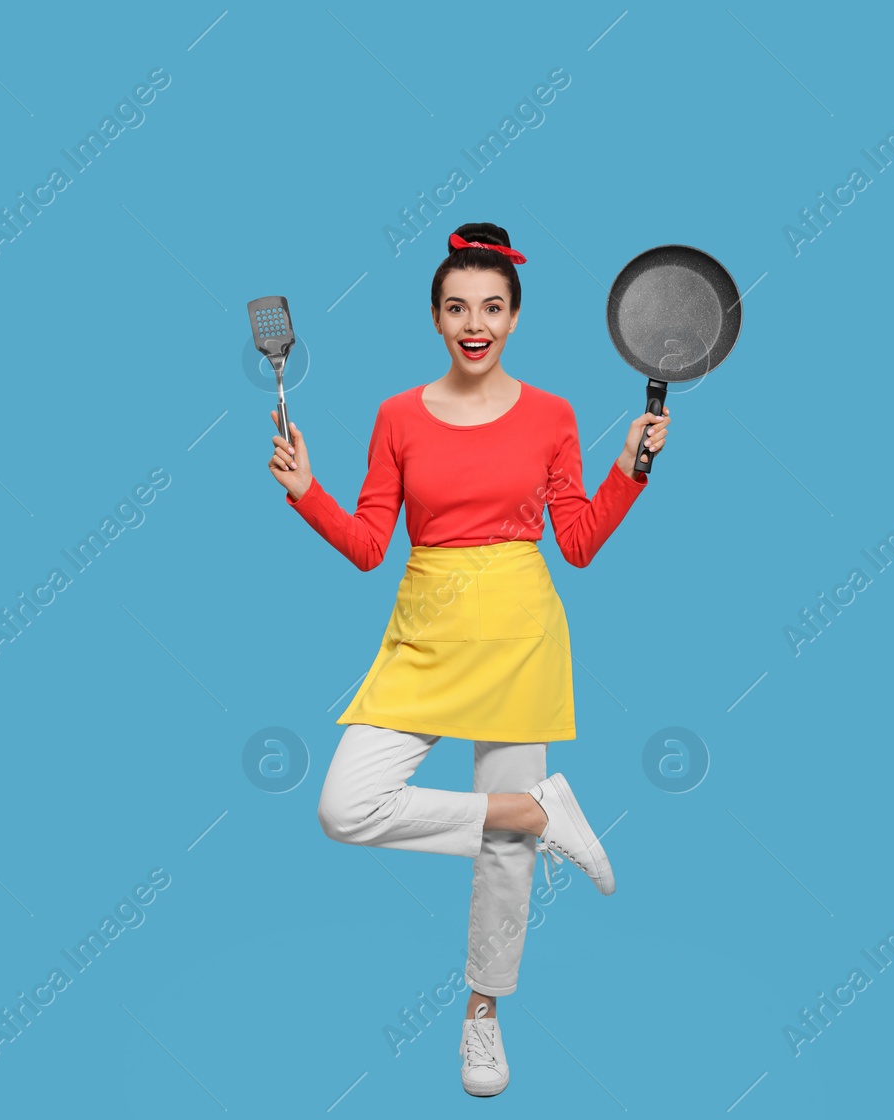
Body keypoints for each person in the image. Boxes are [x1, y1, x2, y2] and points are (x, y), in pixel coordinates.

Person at [267, 222, 670, 1096]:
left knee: (503, 860)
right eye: (457, 307)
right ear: (436, 319)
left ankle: (483, 1020)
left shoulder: (555, 415)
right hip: (425, 632)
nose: (474, 322)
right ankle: (537, 811)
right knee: (345, 806)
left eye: (491, 306)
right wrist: (307, 495)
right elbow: (372, 543)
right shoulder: (399, 416)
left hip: (521, 634)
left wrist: (631, 471)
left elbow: (581, 542)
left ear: (516, 316)